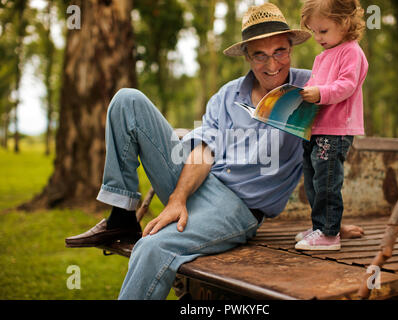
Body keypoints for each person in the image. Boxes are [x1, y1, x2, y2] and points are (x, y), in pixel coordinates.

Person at [65, 2, 363, 299]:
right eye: (259, 55)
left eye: (279, 52)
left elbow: (331, 148)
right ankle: (122, 216)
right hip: (195, 180)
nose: (271, 65)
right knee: (127, 100)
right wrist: (177, 198)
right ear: (247, 56)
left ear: (290, 48)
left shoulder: (312, 88)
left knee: (152, 247)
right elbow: (203, 148)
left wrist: (329, 224)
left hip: (237, 206)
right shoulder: (227, 95)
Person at [294, 0, 368, 251]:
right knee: (313, 179)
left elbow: (346, 86)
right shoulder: (322, 56)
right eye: (313, 31)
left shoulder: (351, 51)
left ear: (345, 22)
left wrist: (319, 93)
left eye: (323, 31)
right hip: (316, 128)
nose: (317, 37)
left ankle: (328, 234)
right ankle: (320, 226)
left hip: (335, 131)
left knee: (327, 181)